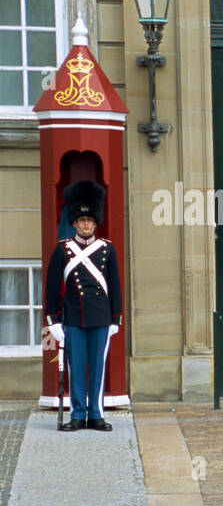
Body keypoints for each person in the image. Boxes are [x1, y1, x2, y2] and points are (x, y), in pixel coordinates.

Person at [44, 181, 122, 432]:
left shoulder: (107, 249)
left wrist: (115, 318)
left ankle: (96, 414)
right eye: (81, 220)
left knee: (98, 367)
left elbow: (115, 285)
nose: (86, 224)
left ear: (95, 223)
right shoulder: (63, 249)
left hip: (100, 317)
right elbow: (52, 287)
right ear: (74, 223)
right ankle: (77, 415)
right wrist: (53, 320)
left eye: (90, 220)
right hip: (74, 318)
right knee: (76, 366)